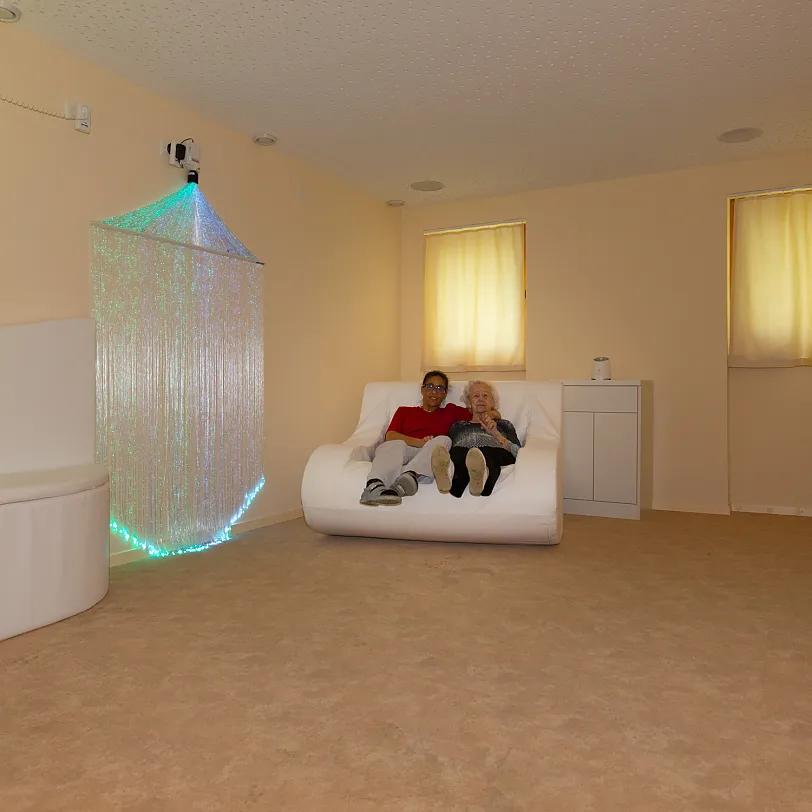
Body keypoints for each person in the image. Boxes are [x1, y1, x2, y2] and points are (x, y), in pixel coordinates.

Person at [360, 371, 501, 506]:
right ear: (422, 389)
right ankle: (374, 486)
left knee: (444, 440)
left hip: (430, 454)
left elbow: (480, 411)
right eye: (430, 386)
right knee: (392, 444)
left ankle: (408, 478)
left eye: (440, 388)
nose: (434, 392)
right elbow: (390, 435)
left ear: (445, 394)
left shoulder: (451, 411)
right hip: (404, 450)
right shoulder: (404, 411)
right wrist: (421, 443)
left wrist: (494, 415)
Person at [431, 380, 522, 498]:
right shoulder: (458, 426)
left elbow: (518, 453)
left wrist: (496, 434)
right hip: (464, 456)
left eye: (485, 395)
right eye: (476, 396)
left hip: (495, 453)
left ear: (493, 402)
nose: (481, 399)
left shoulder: (503, 424)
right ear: (469, 403)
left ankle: (483, 473)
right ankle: (451, 476)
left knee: (487, 452)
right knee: (458, 452)